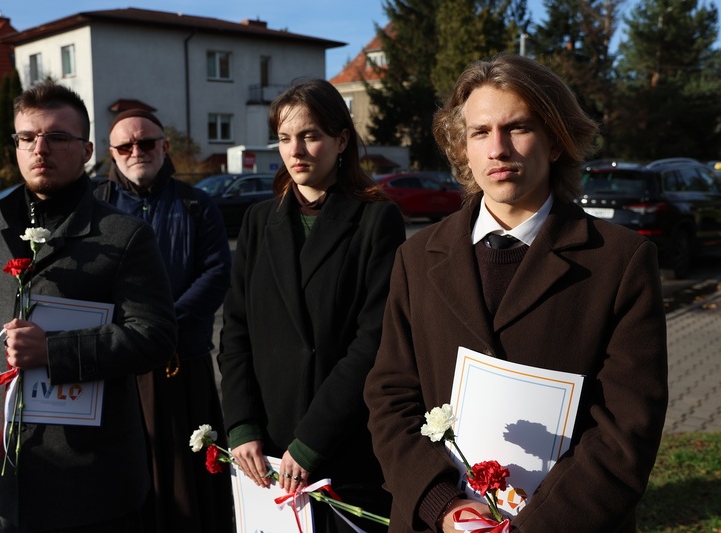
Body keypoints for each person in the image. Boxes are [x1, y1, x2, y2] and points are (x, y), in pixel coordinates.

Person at [364, 54, 668, 533]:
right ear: (462, 148)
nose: (498, 148)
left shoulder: (620, 261)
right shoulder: (417, 257)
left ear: (554, 141)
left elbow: (627, 428)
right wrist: (442, 504)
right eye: (480, 132)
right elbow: (389, 398)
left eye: (518, 128)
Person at [0, 81, 178, 532]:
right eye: (27, 137)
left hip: (95, 478)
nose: (40, 148)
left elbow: (155, 336)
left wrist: (53, 351)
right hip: (15, 469)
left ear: (86, 150)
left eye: (57, 137)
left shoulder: (123, 234)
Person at [217, 78, 406, 531]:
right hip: (267, 446)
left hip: (341, 443)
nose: (295, 150)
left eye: (310, 135)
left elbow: (374, 340)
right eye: (284, 138)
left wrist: (312, 440)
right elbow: (236, 328)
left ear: (342, 140)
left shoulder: (376, 219)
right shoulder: (261, 221)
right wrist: (241, 424)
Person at [95, 108, 233, 533]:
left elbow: (216, 271)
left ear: (165, 147)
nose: (137, 151)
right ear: (111, 154)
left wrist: (161, 325)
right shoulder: (95, 206)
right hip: (117, 365)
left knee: (186, 473)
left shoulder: (195, 203)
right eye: (125, 145)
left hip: (182, 357)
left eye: (147, 142)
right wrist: (128, 334)